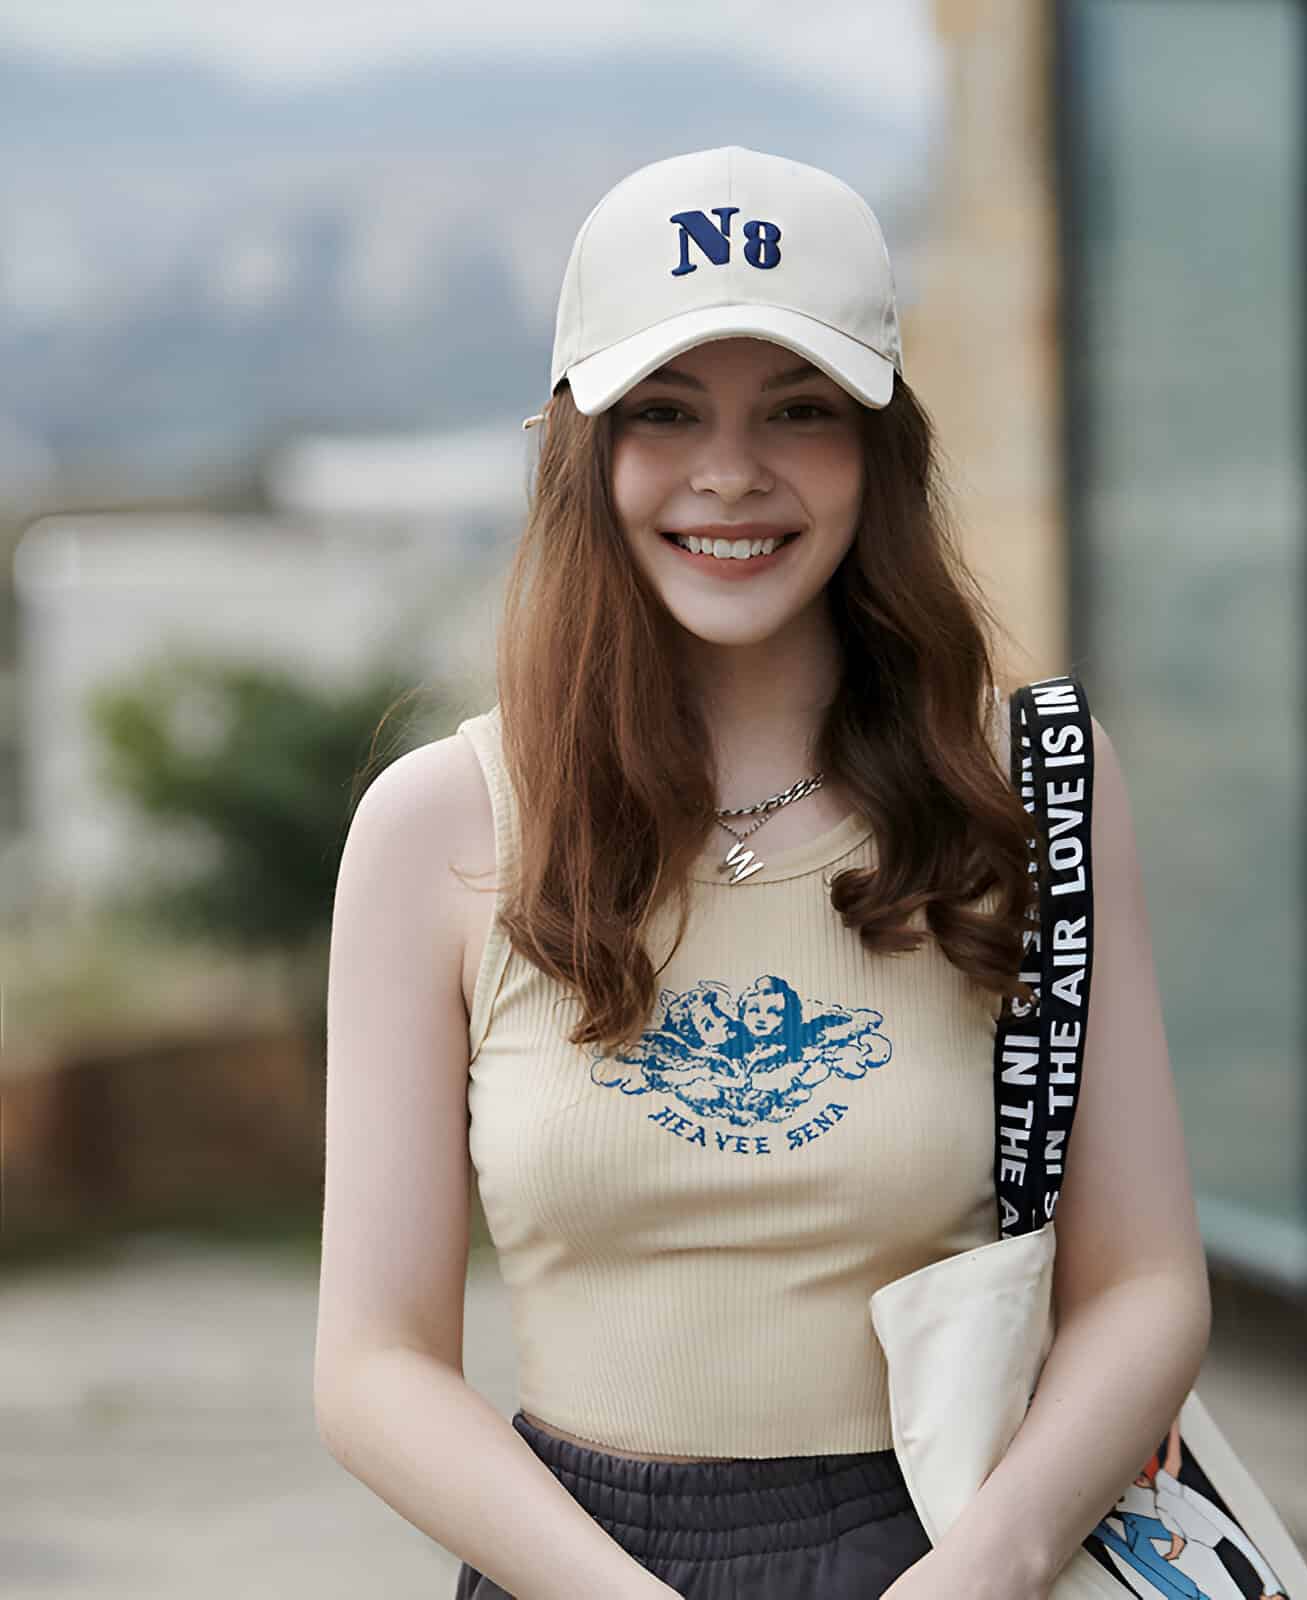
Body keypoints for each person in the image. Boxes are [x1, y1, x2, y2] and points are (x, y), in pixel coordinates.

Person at [313, 145, 1211, 1600]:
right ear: (583, 452)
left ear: (880, 451)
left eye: (799, 410)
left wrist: (996, 1560)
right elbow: (370, 1365)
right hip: (571, 1564)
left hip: (951, 1548)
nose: (730, 473)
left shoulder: (1030, 783)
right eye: (666, 412)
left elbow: (1148, 1284)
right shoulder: (441, 825)